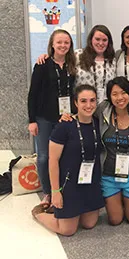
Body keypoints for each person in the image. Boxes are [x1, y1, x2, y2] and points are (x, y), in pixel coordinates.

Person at [31, 84, 104, 236]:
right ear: (75, 103)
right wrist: (55, 191)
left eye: (92, 100)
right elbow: (53, 160)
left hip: (90, 181)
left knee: (89, 224)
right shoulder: (64, 126)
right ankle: (39, 213)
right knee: (67, 230)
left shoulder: (99, 124)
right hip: (69, 184)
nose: (88, 105)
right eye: (83, 101)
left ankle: (65, 212)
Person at [28, 29, 76, 209]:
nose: (63, 45)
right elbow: (33, 94)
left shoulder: (73, 65)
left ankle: (61, 189)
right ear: (52, 44)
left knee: (63, 156)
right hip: (45, 118)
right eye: (59, 42)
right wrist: (31, 120)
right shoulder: (42, 64)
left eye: (66, 42)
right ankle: (47, 192)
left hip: (64, 118)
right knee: (44, 157)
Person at [97, 76, 129, 225]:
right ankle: (117, 199)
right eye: (114, 94)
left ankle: (126, 198)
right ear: (109, 97)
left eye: (123, 92)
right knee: (115, 220)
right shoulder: (102, 112)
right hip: (108, 175)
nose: (120, 98)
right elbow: (84, 115)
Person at [37, 25, 116, 103]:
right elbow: (59, 57)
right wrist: (45, 56)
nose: (101, 43)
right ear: (91, 39)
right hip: (81, 107)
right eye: (97, 39)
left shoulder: (112, 60)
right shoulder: (78, 55)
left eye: (104, 40)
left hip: (105, 107)